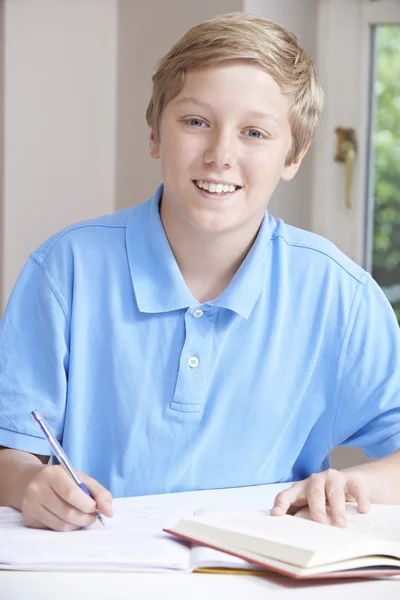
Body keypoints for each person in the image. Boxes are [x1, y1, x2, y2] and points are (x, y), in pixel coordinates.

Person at [0, 12, 399, 533]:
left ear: (294, 156)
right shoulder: (65, 270)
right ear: (154, 134)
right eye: (195, 122)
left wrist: (357, 485)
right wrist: (28, 483)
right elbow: (12, 456)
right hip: (98, 563)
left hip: (263, 572)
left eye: (254, 132)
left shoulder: (339, 296)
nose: (220, 155)